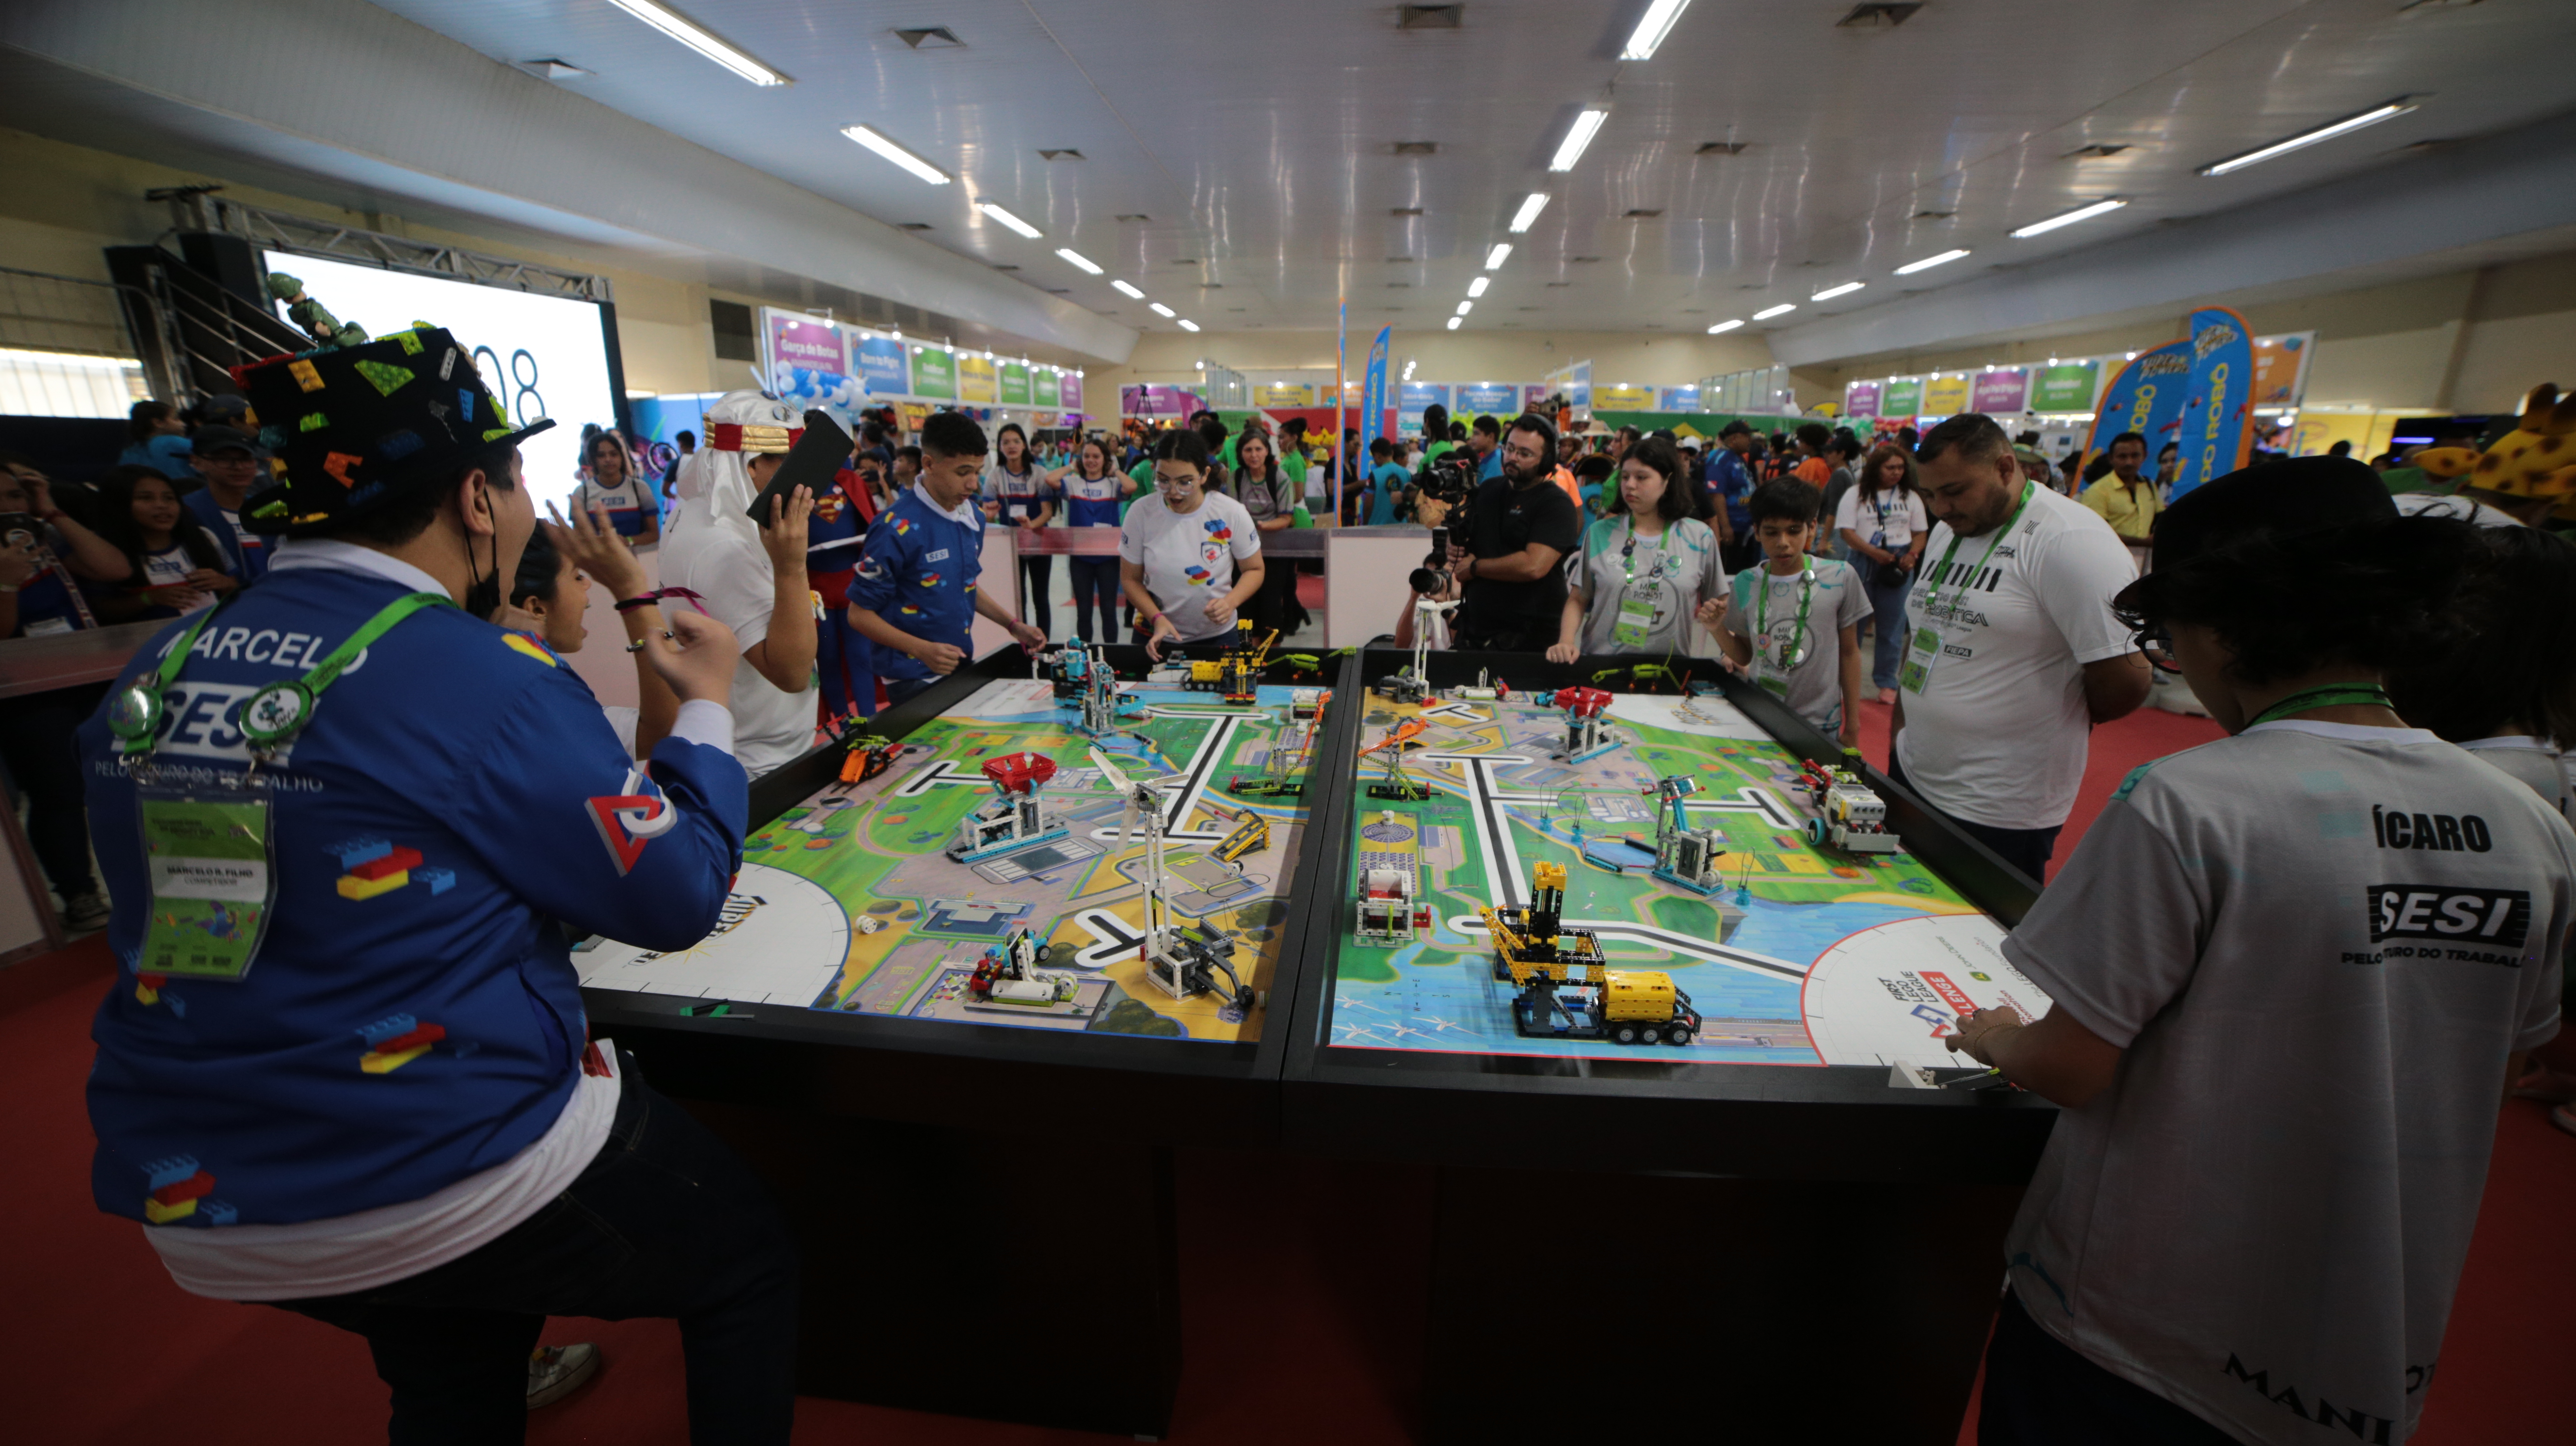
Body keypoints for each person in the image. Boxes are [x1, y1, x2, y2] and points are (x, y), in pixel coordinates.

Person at [76, 324, 797, 1444]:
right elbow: (677, 896)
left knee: (453, 1343)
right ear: (475, 496)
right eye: (515, 482)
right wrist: (705, 704)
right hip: (434, 1154)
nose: (522, 513)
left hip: (198, 1179)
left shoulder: (160, 660)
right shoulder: (477, 675)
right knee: (742, 1257)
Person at [1946, 459, 2561, 1446]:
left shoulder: (2190, 804)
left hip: (2137, 1329)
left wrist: (1995, 1035)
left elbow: (2070, 1064)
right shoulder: (2530, 825)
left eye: (2170, 635)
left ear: (2224, 624)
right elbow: (2510, 1062)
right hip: (2364, 1337)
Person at [1892, 413, 2149, 879]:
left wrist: (2044, 712)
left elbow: (2126, 679)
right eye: (1929, 495)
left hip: (2000, 803)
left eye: (1953, 491)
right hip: (1914, 770)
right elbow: (1923, 632)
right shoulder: (1952, 529)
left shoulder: (2070, 540)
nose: (1940, 508)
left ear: (2006, 469)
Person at [654, 391, 819, 778]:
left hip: (755, 744)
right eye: (790, 464)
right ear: (750, 466)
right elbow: (792, 674)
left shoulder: (695, 511)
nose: (806, 479)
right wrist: (793, 566)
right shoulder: (724, 547)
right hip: (759, 764)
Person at [849, 411, 1046, 707]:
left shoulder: (971, 517)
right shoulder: (895, 527)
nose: (972, 484)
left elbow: (963, 583)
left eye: (978, 471)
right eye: (962, 472)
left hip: (959, 665)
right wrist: (922, 649)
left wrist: (1013, 624)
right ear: (928, 464)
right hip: (911, 677)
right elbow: (859, 614)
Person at [1711, 479, 1869, 747]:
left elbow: (1850, 651)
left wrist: (1852, 724)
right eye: (1771, 533)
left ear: (1813, 528)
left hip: (1821, 721)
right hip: (1761, 714)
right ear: (1757, 532)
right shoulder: (1745, 582)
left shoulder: (1841, 576)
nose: (1783, 543)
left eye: (1794, 531)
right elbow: (1744, 654)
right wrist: (1716, 629)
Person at [1546, 437, 1724, 665]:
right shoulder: (1601, 533)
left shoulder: (1699, 537)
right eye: (1625, 476)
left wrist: (1728, 650)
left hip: (1670, 668)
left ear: (1667, 481)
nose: (1630, 485)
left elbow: (1720, 604)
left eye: (1641, 477)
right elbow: (1578, 598)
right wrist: (1566, 641)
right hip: (1602, 664)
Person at [1120, 429, 1264, 660]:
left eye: (1185, 482)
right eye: (1163, 481)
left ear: (1204, 475)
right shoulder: (1141, 513)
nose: (1174, 493)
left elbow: (1254, 569)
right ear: (1153, 472)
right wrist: (1157, 619)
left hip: (1218, 636)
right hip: (1153, 635)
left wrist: (1231, 602)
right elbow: (1130, 578)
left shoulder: (1230, 513)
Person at [1448, 412, 1581, 651]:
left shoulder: (1557, 504)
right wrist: (1455, 545)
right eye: (1509, 449)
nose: (1512, 458)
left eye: (1525, 454)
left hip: (1530, 638)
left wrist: (1476, 567)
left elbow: (1533, 566)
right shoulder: (1488, 490)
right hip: (1476, 630)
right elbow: (1470, 539)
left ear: (1547, 460)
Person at [1836, 446, 1931, 702]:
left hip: (1898, 563)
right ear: (1877, 467)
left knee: (1893, 626)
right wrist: (1873, 552)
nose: (1896, 473)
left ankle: (1887, 683)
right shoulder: (1856, 494)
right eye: (1891, 468)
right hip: (1863, 560)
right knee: (1852, 625)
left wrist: (1913, 555)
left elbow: (1921, 532)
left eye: (1901, 468)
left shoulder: (1910, 496)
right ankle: (1843, 681)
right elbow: (1847, 532)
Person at [93, 467, 237, 621]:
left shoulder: (205, 537)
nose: (161, 505)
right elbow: (100, 610)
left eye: (169, 498)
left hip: (211, 634)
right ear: (118, 504)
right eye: (146, 498)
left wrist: (226, 584)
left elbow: (238, 587)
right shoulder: (104, 550)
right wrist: (148, 599)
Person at [803, 449, 879, 725]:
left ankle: (871, 722)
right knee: (828, 659)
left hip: (850, 584)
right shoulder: (794, 487)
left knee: (861, 656)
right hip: (815, 589)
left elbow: (872, 525)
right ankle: (844, 727)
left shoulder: (849, 481)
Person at [982, 423, 1059, 640]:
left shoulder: (1039, 473)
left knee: (1041, 598)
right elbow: (987, 512)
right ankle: (1023, 643)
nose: (1011, 446)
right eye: (1005, 442)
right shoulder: (994, 476)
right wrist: (988, 513)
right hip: (1009, 546)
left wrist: (1031, 525)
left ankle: (1045, 642)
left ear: (1025, 445)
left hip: (1039, 541)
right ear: (999, 447)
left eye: (1016, 441)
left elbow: (1048, 512)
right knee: (1017, 598)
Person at [1058, 436, 1132, 645]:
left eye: (1096, 457)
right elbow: (1050, 480)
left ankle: (1111, 654)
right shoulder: (1073, 483)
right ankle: (1085, 656)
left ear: (1105, 459)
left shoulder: (1113, 484)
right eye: (1087, 456)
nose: (1091, 461)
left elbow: (1131, 486)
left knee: (1109, 609)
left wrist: (1115, 471)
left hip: (1108, 558)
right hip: (1080, 558)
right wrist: (1071, 467)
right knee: (1084, 610)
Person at [181, 426, 274, 583]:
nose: (239, 467)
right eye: (224, 459)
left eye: (246, 459)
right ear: (197, 462)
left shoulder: (269, 509)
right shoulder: (186, 512)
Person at [573, 427, 659, 546]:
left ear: (622, 457)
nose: (609, 460)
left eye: (614, 454)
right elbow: (578, 538)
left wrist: (627, 541)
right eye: (601, 456)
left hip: (638, 560)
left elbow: (654, 534)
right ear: (593, 460)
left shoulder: (640, 488)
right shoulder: (582, 493)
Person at [2080, 431, 2162, 548]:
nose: (2129, 462)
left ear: (2144, 456)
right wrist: (2145, 543)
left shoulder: (2149, 486)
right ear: (2111, 459)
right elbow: (2096, 533)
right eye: (2122, 456)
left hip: (2145, 559)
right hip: (2110, 557)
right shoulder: (2097, 491)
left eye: (2135, 456)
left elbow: (2160, 518)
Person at [1705, 420, 1755, 570]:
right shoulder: (1719, 460)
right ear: (1734, 438)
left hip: (1746, 526)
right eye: (1747, 436)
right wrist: (1725, 527)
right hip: (1732, 526)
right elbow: (1716, 494)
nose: (1750, 440)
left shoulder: (1737, 458)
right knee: (1729, 570)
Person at [118, 399, 196, 480]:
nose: (183, 424)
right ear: (158, 423)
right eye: (176, 419)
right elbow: (207, 450)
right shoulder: (172, 442)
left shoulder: (129, 453)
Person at [1816, 436, 1860, 555]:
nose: (1826, 455)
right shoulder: (1848, 472)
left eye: (1830, 452)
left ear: (1842, 454)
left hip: (1832, 534)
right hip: (1841, 532)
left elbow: (1834, 510)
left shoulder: (1839, 475)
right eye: (1825, 451)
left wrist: (1823, 540)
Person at [1789, 423, 1832, 488]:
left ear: (1810, 444)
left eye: (1801, 442)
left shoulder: (1810, 465)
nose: (1798, 446)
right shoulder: (1829, 463)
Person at [1467, 415, 1504, 481]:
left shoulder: (1496, 461)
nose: (1472, 437)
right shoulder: (1489, 457)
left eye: (1476, 434)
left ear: (1491, 437)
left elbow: (1487, 489)